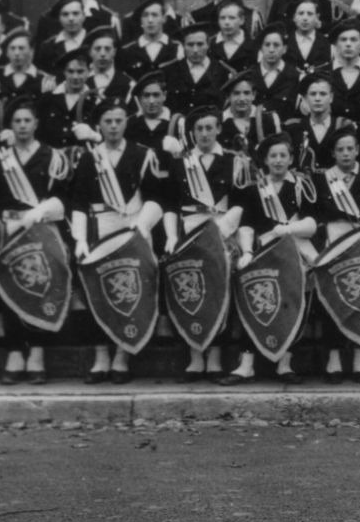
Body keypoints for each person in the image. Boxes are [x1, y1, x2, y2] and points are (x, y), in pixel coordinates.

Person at [68, 101, 169, 384]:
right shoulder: (90, 158)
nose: (113, 126)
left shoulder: (142, 154)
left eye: (118, 120)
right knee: (98, 292)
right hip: (100, 229)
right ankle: (101, 357)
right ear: (99, 125)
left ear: (127, 122)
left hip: (133, 227)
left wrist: (143, 224)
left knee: (130, 292)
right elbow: (78, 201)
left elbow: (156, 198)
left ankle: (123, 356)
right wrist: (79, 238)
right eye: (107, 121)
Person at [0, 96, 72, 386]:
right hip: (9, 230)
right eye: (17, 121)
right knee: (11, 292)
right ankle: (15, 354)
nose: (22, 126)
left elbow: (61, 199)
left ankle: (38, 355)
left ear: (36, 124)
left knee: (42, 288)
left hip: (42, 229)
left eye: (27, 120)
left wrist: (37, 213)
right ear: (11, 125)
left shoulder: (52, 157)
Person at [160, 105, 244, 383]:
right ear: (192, 133)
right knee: (191, 291)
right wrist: (172, 236)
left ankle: (216, 358)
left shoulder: (234, 161)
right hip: (190, 232)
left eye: (210, 128)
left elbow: (243, 203)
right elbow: (170, 203)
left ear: (219, 129)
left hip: (222, 231)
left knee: (220, 292)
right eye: (199, 129)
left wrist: (224, 229)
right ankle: (195, 356)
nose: (205, 133)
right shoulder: (180, 162)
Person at [227, 133, 319, 385]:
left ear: (291, 159)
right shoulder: (254, 189)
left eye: (283, 156)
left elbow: (311, 224)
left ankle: (285, 365)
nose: (278, 161)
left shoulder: (302, 186)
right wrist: (246, 252)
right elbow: (245, 225)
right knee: (255, 303)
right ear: (265, 160)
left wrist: (287, 229)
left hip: (295, 252)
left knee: (294, 304)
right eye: (273, 156)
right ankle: (246, 366)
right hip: (263, 252)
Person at [306, 125, 360, 384]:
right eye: (340, 150)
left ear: (358, 150)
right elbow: (315, 216)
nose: (346, 154)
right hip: (333, 242)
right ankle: (334, 358)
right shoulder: (323, 179)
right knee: (333, 298)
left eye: (350, 149)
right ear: (333, 153)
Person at [36, 48, 103, 149]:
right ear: (64, 72)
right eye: (70, 71)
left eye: (80, 71)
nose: (75, 76)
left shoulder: (96, 102)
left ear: (89, 72)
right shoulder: (48, 99)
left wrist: (94, 136)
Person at [163, 22, 232, 115]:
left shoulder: (222, 71)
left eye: (200, 44)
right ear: (183, 46)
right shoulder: (170, 71)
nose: (195, 50)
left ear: (208, 45)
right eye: (190, 45)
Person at [216, 71, 282, 159]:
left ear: (253, 95)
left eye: (246, 93)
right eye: (236, 93)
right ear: (228, 97)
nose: (242, 99)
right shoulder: (219, 121)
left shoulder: (268, 119)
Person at [117, 0, 184, 80]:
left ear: (164, 19)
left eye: (155, 15)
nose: (150, 20)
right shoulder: (128, 51)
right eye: (145, 15)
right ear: (140, 20)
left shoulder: (177, 48)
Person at [35, 0, 93, 73]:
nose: (71, 18)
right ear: (59, 18)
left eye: (75, 13)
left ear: (83, 16)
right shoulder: (48, 47)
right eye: (65, 14)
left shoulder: (94, 44)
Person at [85, 28, 134, 109]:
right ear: (90, 52)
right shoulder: (82, 80)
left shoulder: (128, 84)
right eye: (97, 49)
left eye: (107, 49)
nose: (102, 54)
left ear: (114, 51)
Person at [207, 0, 257, 75]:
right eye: (222, 18)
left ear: (242, 20)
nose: (226, 22)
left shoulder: (253, 46)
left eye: (232, 18)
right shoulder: (209, 46)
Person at [0, 28, 49, 99]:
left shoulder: (45, 80)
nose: (16, 53)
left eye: (21, 48)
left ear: (31, 51)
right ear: (6, 52)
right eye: (12, 48)